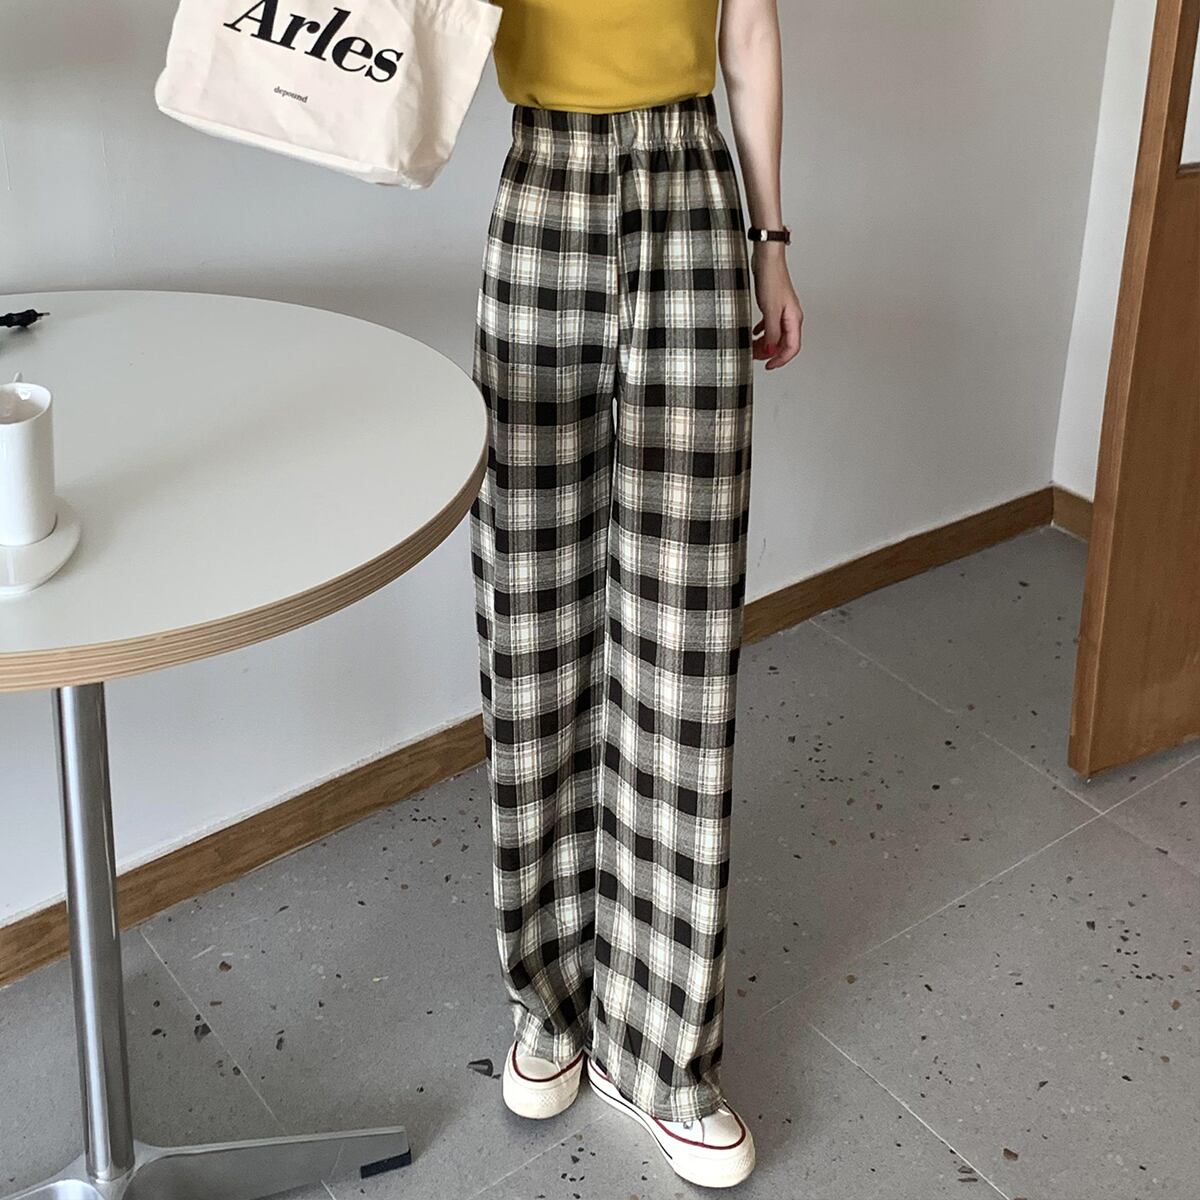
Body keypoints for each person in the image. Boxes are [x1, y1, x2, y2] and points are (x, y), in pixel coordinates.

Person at [467, 0, 802, 1187]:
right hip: (542, 183)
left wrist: (771, 241)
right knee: (531, 620)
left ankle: (662, 1049)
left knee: (684, 626)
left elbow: (748, 33)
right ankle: (550, 998)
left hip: (691, 186)